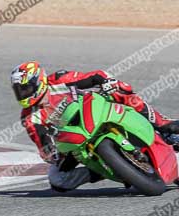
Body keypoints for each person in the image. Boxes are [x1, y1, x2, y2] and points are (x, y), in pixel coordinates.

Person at [11, 61, 179, 192]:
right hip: (74, 140)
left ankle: (161, 123)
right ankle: (103, 169)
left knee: (120, 90)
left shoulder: (59, 80)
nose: (23, 94)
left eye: (26, 88)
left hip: (95, 111)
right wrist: (53, 153)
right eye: (19, 90)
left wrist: (108, 82)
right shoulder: (30, 117)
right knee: (57, 180)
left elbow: (96, 76)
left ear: (39, 81)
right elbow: (43, 144)